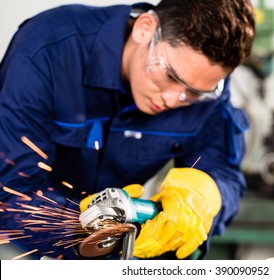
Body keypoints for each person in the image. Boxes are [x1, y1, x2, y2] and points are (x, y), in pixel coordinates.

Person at [0, 0, 255, 260]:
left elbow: (224, 172)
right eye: (171, 77)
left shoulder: (203, 83)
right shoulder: (49, 48)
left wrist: (205, 195)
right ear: (145, 28)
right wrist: (83, 228)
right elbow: (10, 192)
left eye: (194, 92)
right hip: (24, 248)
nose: (173, 99)